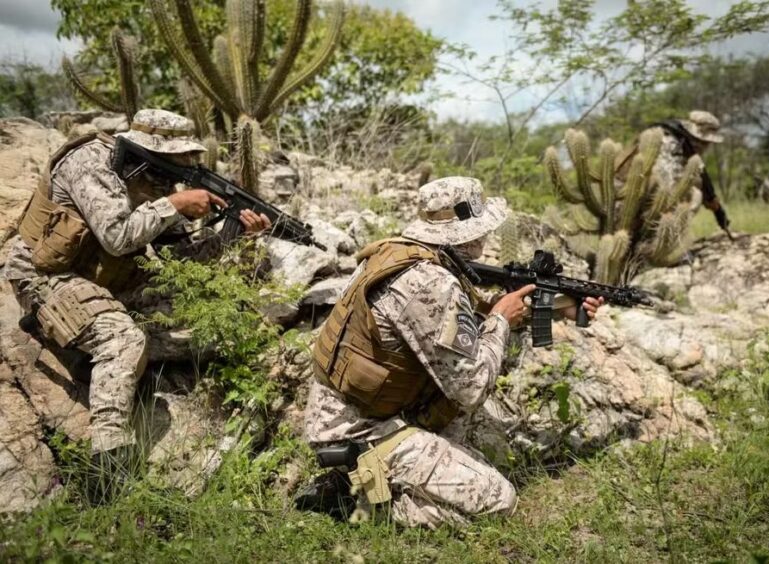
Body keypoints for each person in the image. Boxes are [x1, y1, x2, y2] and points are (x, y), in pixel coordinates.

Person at [304, 176, 604, 529]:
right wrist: (501, 321)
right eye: (483, 228)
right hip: (362, 431)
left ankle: (382, 474)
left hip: (351, 410)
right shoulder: (433, 282)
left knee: (482, 454)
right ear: (470, 232)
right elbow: (472, 386)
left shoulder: (398, 256)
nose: (488, 235)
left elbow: (453, 326)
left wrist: (557, 307)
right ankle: (354, 498)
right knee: (499, 500)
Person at [2, 109, 270, 477]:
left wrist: (231, 234)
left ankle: (82, 342)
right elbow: (116, 237)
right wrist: (174, 205)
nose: (182, 170)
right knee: (123, 339)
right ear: (152, 150)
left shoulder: (152, 178)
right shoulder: (90, 161)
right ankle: (108, 460)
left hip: (106, 281)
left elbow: (177, 257)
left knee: (207, 322)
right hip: (46, 273)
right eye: (178, 160)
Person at [620, 110, 731, 236]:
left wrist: (714, 204)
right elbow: (667, 183)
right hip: (634, 200)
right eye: (705, 143)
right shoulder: (670, 143)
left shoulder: (677, 139)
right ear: (697, 138)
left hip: (634, 194)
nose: (706, 147)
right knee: (695, 195)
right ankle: (666, 238)